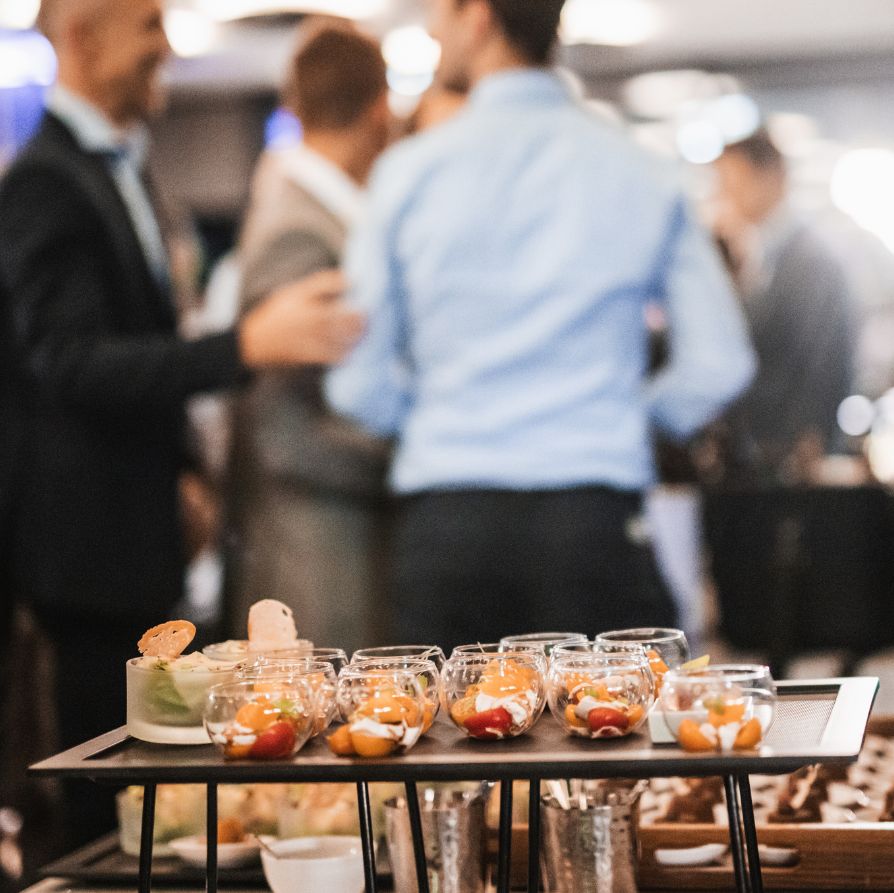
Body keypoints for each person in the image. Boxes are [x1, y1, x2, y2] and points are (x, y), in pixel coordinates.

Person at [0, 0, 360, 845]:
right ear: (84, 36)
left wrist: (184, 471)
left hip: (129, 537)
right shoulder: (45, 182)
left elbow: (133, 347)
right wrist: (247, 345)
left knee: (147, 802)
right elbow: (73, 361)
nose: (168, 47)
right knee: (97, 808)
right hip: (77, 556)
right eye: (151, 27)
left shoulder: (116, 166)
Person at [326, 0, 756, 651]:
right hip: (593, 518)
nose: (435, 31)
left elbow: (356, 382)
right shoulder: (638, 168)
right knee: (620, 745)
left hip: (448, 522)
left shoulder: (407, 174)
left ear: (479, 18)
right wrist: (623, 417)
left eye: (441, 11)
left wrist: (433, 419)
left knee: (445, 745)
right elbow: (720, 362)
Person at [227, 22, 392, 653]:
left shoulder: (321, 215)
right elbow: (283, 431)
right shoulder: (301, 229)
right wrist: (405, 459)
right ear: (381, 112)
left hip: (329, 529)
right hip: (318, 546)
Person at [713, 128, 856, 481]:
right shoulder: (765, 255)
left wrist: (812, 438)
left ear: (771, 177)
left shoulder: (809, 262)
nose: (726, 195)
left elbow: (824, 360)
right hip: (767, 452)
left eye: (733, 181)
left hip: (791, 454)